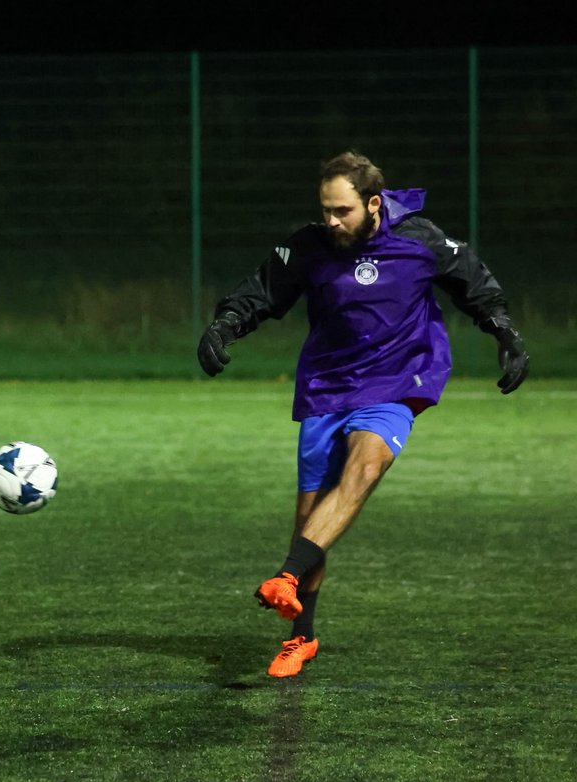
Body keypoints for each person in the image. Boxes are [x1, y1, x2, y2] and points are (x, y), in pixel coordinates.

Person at [197, 151, 529, 678]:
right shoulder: (310, 246)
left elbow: (474, 282)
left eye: (342, 211)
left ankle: (285, 576)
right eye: (325, 210)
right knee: (311, 520)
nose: (331, 221)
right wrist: (225, 326)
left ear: (374, 204)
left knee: (367, 464)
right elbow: (261, 291)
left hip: (397, 381)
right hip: (327, 386)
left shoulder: (419, 240)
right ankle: (301, 638)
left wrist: (505, 332)